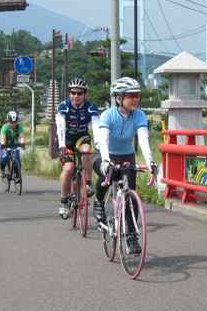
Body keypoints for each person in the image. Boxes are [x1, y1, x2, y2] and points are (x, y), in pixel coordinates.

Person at [93, 77, 158, 254]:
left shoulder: (139, 115)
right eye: (131, 96)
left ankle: (131, 235)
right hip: (105, 153)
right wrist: (106, 161)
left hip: (126, 155)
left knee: (131, 196)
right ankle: (98, 201)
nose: (135, 99)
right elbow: (103, 140)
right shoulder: (108, 115)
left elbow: (143, 139)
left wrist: (150, 162)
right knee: (108, 175)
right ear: (118, 98)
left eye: (137, 95)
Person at [55, 78, 100, 220]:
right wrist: (62, 145)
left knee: (86, 151)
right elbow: (60, 127)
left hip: (82, 138)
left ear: (85, 94)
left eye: (79, 93)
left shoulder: (90, 107)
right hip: (67, 140)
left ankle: (88, 183)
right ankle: (64, 201)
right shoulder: (64, 107)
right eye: (73, 93)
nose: (76, 96)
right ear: (69, 93)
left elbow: (96, 127)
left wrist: (99, 144)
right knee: (68, 169)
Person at [0, 110, 24, 178]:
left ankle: (17, 174)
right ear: (7, 121)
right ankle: (1, 169)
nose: (13, 124)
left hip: (13, 144)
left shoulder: (19, 127)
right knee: (5, 156)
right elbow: (3, 138)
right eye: (11, 122)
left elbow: (21, 136)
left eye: (15, 122)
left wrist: (22, 144)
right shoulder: (5, 127)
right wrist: (3, 146)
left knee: (17, 158)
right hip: (4, 143)